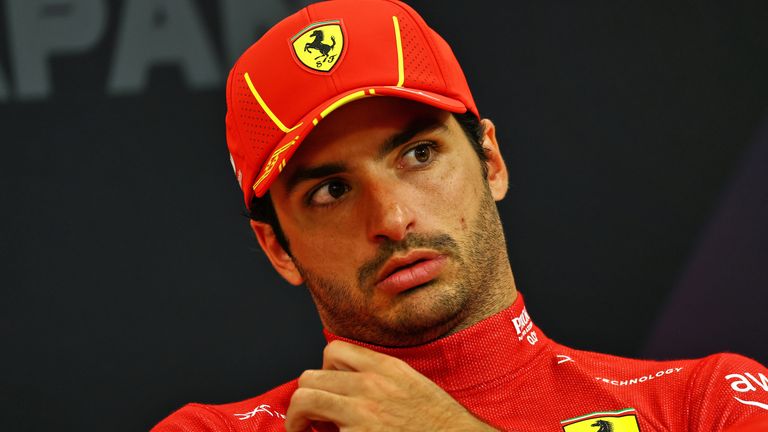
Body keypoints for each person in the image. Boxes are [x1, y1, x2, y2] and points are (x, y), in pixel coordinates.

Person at [152, 1, 768, 430]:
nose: (392, 218)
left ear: (491, 161)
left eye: (418, 154)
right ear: (277, 248)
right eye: (331, 191)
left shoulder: (704, 404)